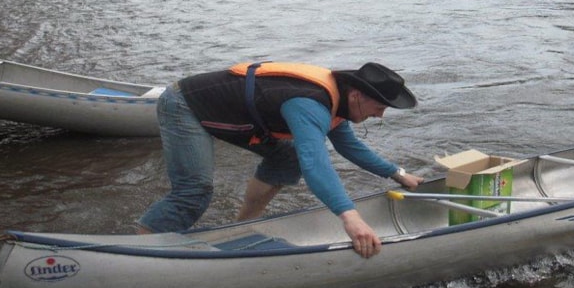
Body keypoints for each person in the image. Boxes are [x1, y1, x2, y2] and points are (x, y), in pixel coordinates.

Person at [136, 61, 424, 259]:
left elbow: (350, 147)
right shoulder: (309, 104)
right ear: (358, 95)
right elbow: (315, 164)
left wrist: (397, 174)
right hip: (186, 106)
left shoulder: (339, 102)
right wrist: (351, 218)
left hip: (237, 116)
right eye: (379, 107)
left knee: (287, 159)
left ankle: (240, 228)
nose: (380, 115)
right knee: (194, 190)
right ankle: (145, 248)